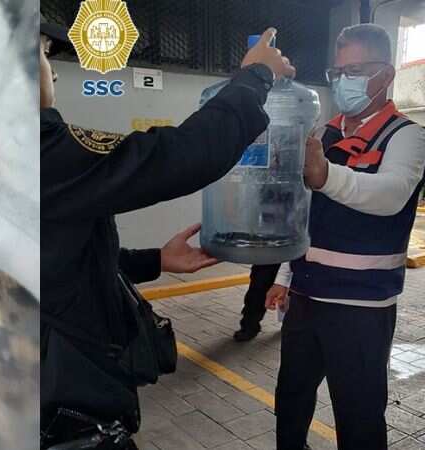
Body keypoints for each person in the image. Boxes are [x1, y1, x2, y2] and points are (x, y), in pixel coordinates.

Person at [40, 15, 296, 448]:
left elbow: (55, 258)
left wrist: (154, 260)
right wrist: (256, 76)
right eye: (44, 56)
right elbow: (176, 157)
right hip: (65, 418)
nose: (51, 74)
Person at [265, 23, 425, 450]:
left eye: (357, 69)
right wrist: (285, 277)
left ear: (386, 75)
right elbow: (306, 212)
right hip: (306, 299)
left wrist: (325, 175)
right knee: (291, 400)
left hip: (361, 309)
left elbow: (389, 195)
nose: (344, 80)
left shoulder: (407, 137)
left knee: (358, 415)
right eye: (338, 72)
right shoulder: (325, 132)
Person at [234, 264, 280, 341]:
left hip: (294, 260)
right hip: (267, 260)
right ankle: (249, 326)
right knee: (257, 292)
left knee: (293, 295)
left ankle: (290, 325)